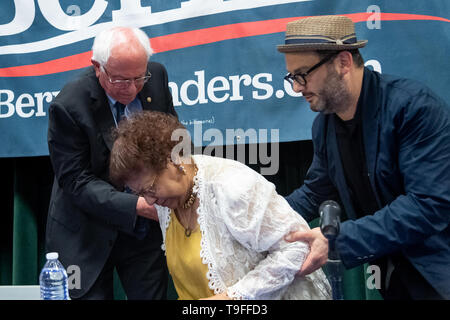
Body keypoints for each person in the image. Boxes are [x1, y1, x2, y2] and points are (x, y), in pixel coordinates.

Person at [277, 15, 450, 299]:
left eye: (303, 74)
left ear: (343, 62)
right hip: (395, 282)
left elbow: (428, 204)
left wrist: (337, 240)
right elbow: (314, 193)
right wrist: (259, 217)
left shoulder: (413, 107)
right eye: (292, 77)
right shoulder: (324, 125)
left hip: (439, 274)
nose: (297, 87)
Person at [108, 110, 332, 300]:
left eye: (150, 189)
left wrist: (233, 297)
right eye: (139, 193)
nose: (148, 201)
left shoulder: (232, 187)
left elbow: (296, 248)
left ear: (174, 160)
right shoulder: (167, 201)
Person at [46, 26, 177, 299]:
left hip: (144, 232)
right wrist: (138, 206)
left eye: (138, 77)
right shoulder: (69, 105)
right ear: (98, 68)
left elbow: (175, 140)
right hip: (86, 230)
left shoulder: (156, 77)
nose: (131, 88)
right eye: (120, 80)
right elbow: (76, 182)